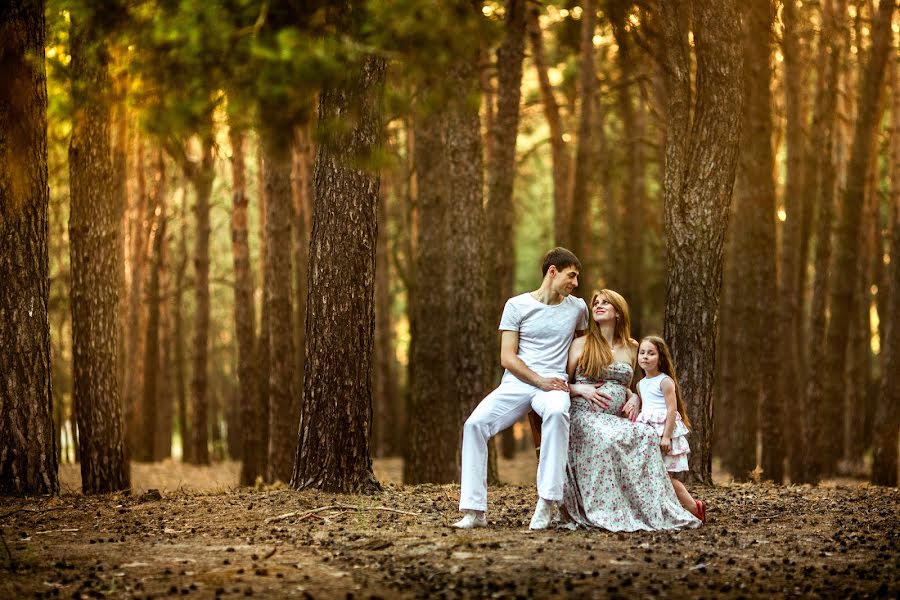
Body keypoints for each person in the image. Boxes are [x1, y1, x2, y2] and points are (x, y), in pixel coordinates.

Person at [454, 247, 589, 530]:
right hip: (518, 383)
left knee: (556, 414)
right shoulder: (516, 305)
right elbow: (507, 357)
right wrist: (538, 380)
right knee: (474, 425)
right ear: (552, 272)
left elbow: (582, 347)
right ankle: (474, 511)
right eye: (571, 276)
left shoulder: (578, 308)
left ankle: (547, 503)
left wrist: (574, 386)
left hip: (554, 385)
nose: (575, 283)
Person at [562, 289, 701, 531]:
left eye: (606, 303)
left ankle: (646, 507)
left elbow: (635, 384)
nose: (599, 306)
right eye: (596, 303)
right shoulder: (581, 344)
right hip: (585, 415)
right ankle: (609, 509)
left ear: (618, 312)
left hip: (615, 417)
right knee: (609, 439)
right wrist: (579, 389)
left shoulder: (632, 347)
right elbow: (561, 383)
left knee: (646, 436)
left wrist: (635, 396)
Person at [636, 335, 706, 521]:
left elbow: (672, 409)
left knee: (666, 477)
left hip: (664, 434)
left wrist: (666, 436)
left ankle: (694, 506)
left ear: (660, 358)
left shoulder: (665, 381)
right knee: (652, 476)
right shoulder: (640, 384)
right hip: (648, 435)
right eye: (642, 352)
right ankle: (659, 511)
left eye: (651, 353)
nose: (645, 357)